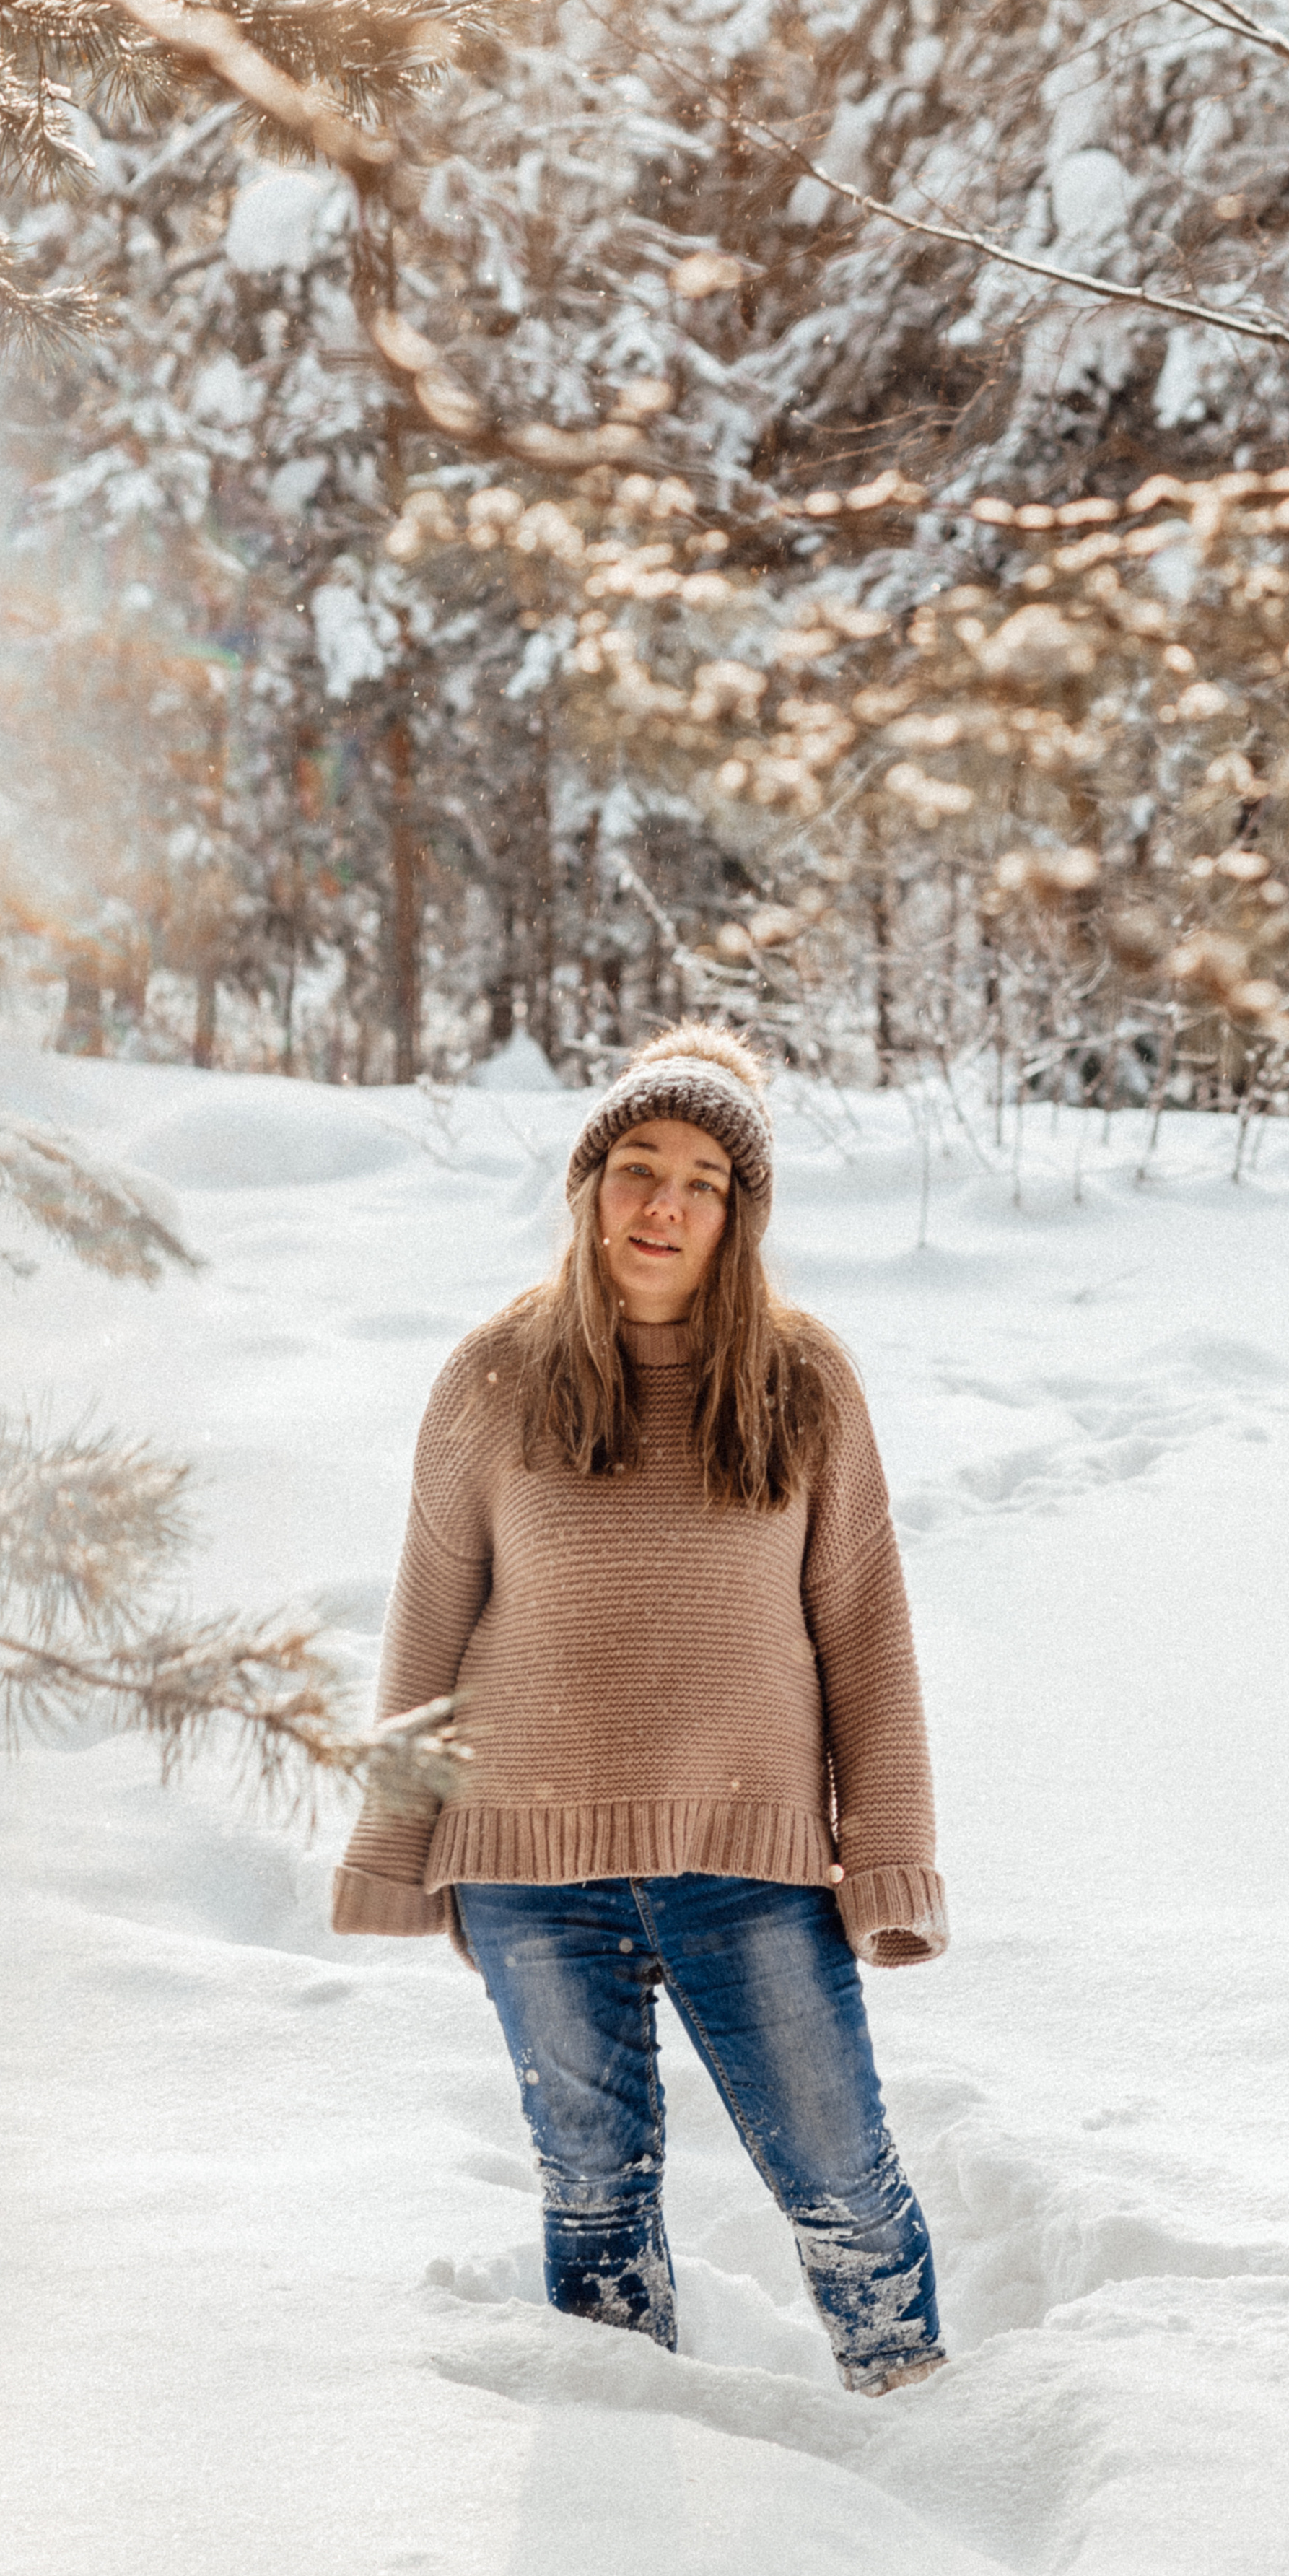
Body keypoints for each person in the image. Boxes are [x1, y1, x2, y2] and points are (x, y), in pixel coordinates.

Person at [333, 1022, 948, 2395]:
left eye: (704, 1179)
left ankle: (923, 2427)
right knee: (594, 2204)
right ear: (587, 1184)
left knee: (844, 2181)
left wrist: (891, 1856)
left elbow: (866, 1635)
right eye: (635, 1165)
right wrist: (392, 1848)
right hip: (528, 1870)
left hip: (753, 1866)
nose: (664, 1203)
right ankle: (626, 2490)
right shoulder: (493, 1378)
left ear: (742, 1214)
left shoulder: (804, 1384)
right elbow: (429, 1620)